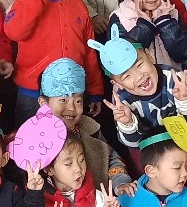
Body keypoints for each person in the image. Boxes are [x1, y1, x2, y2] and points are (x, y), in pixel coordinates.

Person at [94, 28, 187, 157]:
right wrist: (127, 123)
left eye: (139, 65)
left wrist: (185, 101)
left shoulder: (174, 80)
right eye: (126, 76)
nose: (139, 76)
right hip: (152, 156)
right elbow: (133, 145)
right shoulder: (123, 103)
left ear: (149, 56)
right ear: (117, 84)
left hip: (185, 147)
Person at [37, 59, 133, 194]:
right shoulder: (35, 139)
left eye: (78, 101)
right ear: (44, 103)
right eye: (63, 100)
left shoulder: (91, 128)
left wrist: (120, 182)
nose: (71, 108)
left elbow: (112, 159)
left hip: (100, 201)